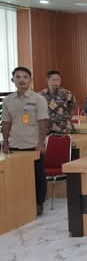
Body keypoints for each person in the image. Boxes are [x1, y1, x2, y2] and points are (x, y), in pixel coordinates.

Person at [1, 66, 49, 216]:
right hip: (15, 145)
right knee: (17, 177)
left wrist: (40, 143)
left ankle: (39, 203)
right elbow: (6, 123)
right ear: (13, 80)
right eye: (18, 77)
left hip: (33, 145)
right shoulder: (8, 100)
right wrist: (5, 143)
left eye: (25, 77)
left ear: (30, 80)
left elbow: (43, 122)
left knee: (37, 176)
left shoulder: (38, 99)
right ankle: (21, 204)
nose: (21, 80)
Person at [39, 70, 76, 135]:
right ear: (47, 80)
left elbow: (72, 108)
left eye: (58, 80)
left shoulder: (67, 93)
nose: (56, 82)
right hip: (47, 129)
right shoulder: (41, 95)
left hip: (64, 128)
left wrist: (64, 118)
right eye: (53, 80)